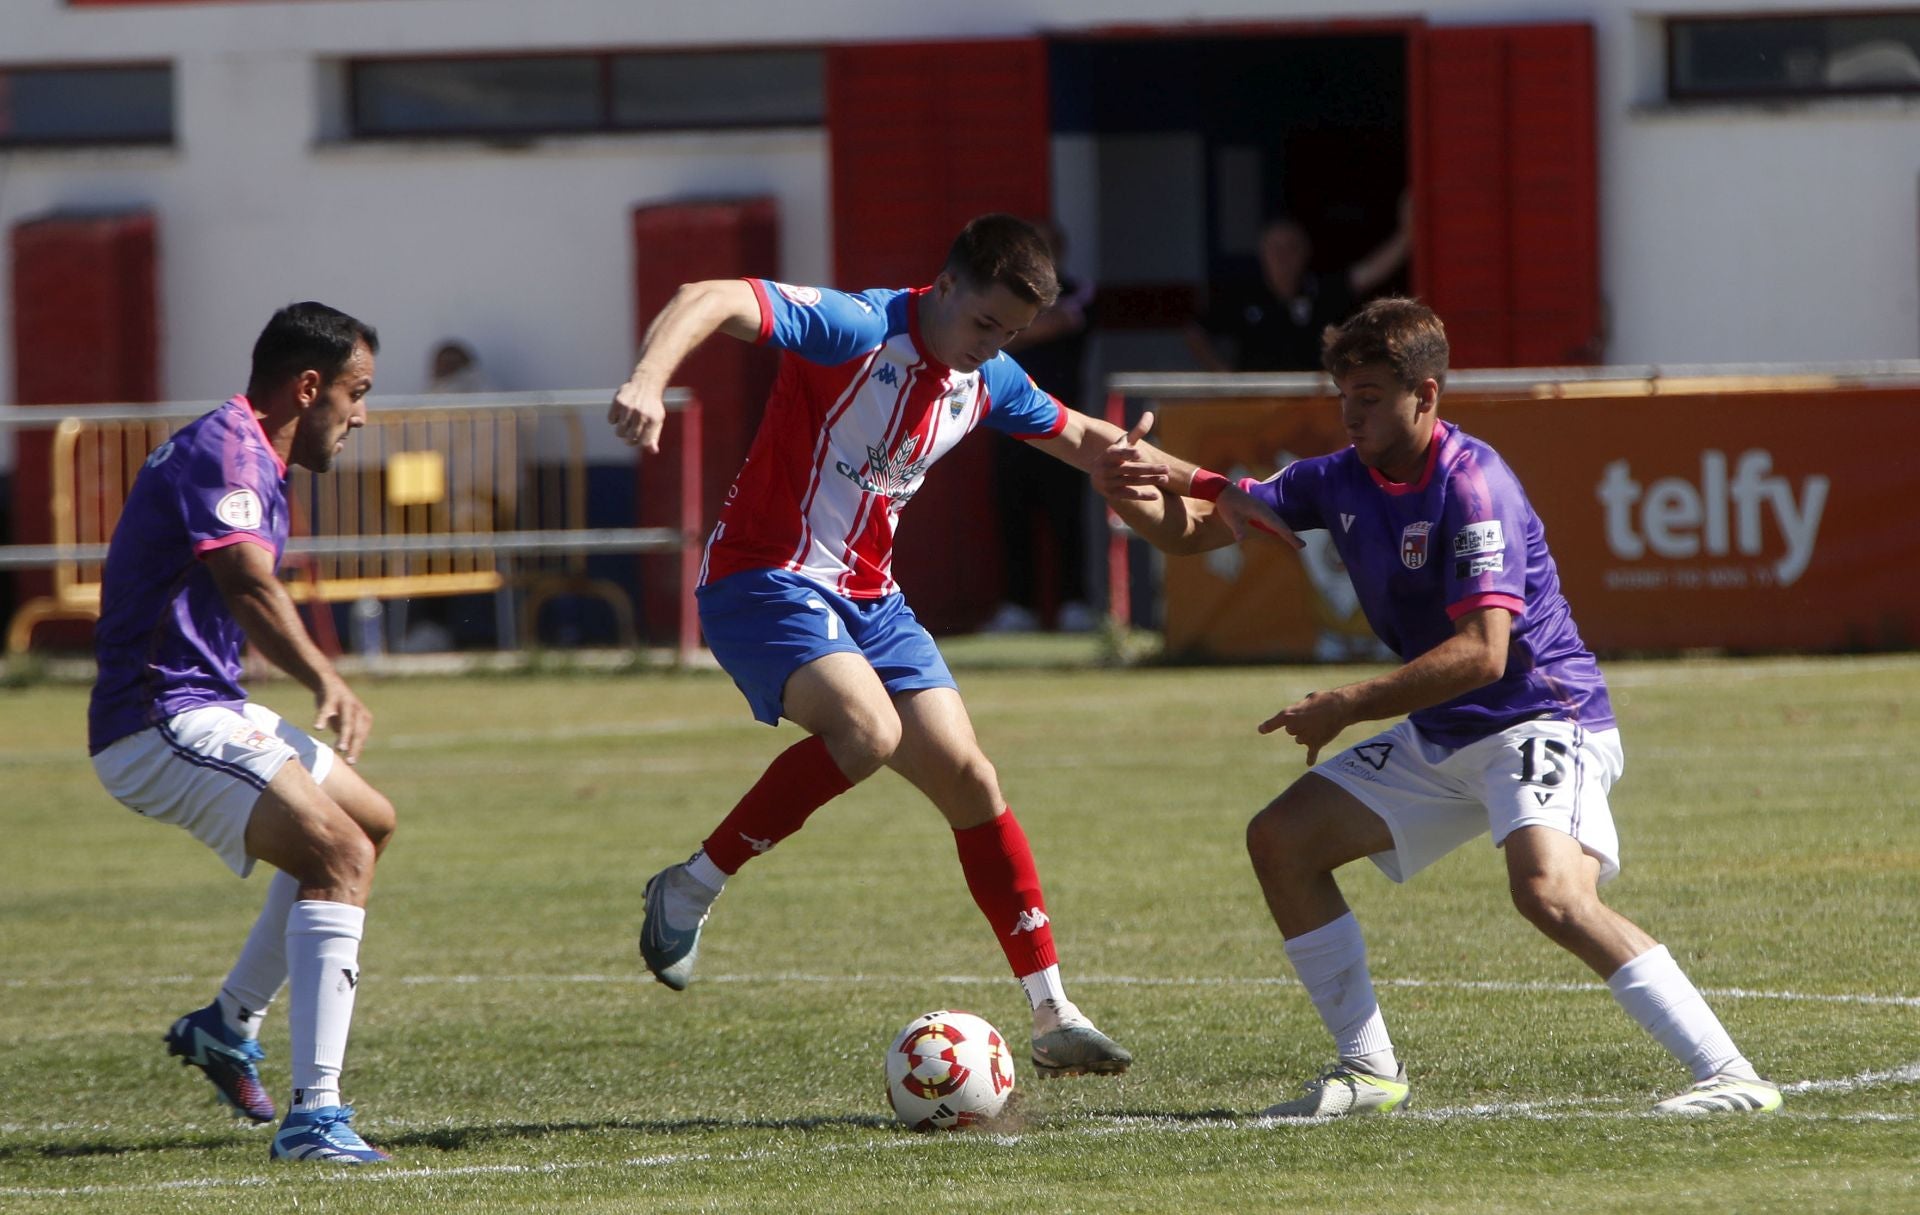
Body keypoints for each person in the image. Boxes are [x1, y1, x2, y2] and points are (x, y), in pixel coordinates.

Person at [607, 214, 1282, 1078]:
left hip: (871, 601)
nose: (993, 347)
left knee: (973, 778)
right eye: (985, 324)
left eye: (1012, 333)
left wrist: (1220, 487)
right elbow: (704, 296)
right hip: (764, 578)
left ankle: (1053, 1014)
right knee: (868, 732)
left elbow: (1087, 438)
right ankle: (690, 886)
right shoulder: (854, 327)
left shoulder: (986, 375)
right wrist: (646, 380)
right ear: (948, 285)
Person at [1102, 297, 1781, 1117]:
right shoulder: (1339, 476)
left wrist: (1346, 704)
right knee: (1282, 839)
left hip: (1541, 717)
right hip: (1446, 730)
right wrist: (1128, 489)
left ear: (1425, 395)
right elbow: (1205, 525)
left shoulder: (1472, 483)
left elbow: (1484, 652)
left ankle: (1732, 1073)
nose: (1351, 414)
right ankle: (1368, 1071)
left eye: (1371, 397)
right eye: (1344, 395)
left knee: (1551, 894)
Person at [88, 302, 397, 1163]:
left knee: (367, 823)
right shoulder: (226, 449)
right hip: (158, 719)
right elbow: (245, 580)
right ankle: (315, 1117)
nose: (361, 416)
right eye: (357, 393)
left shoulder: (252, 452)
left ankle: (226, 1024)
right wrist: (325, 676)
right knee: (337, 855)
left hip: (206, 703)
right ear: (309, 386)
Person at [984, 219, 1097, 633]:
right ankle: (1018, 606)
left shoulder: (1079, 289)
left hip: (1063, 422)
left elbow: (1060, 322)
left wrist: (1007, 333)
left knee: (1067, 516)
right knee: (1013, 515)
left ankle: (1074, 603)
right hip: (1007, 420)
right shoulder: (1004, 293)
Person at [1186, 194, 1411, 373]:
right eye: (1275, 249)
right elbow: (1196, 332)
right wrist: (1224, 376)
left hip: (1312, 405)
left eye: (1291, 248)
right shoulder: (1243, 295)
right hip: (1255, 407)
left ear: (1305, 252)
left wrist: (1407, 233)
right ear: (1262, 252)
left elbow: (1369, 272)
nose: (1283, 257)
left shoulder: (1321, 291)